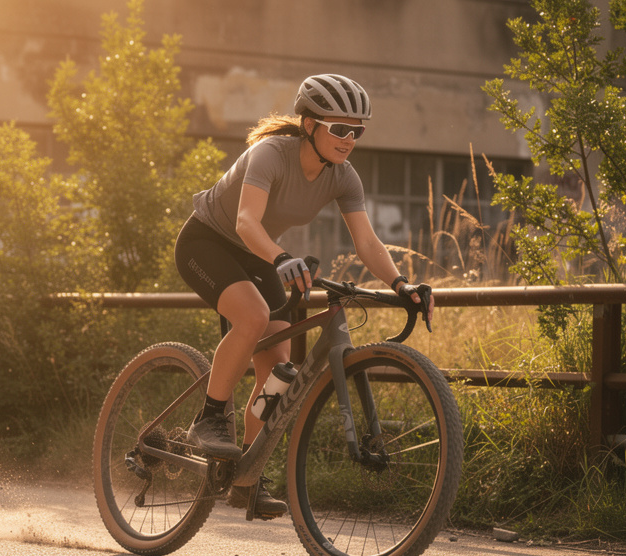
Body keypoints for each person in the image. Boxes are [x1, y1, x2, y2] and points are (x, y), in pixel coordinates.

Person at [174, 73, 433, 517]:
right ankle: (210, 418)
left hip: (262, 256)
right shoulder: (270, 154)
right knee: (253, 317)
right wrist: (280, 258)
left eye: (357, 131)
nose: (349, 139)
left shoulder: (343, 177)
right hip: (209, 241)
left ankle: (246, 480)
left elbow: (367, 244)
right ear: (310, 124)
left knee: (277, 371)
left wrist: (401, 284)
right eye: (339, 129)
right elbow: (245, 223)